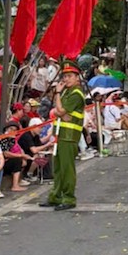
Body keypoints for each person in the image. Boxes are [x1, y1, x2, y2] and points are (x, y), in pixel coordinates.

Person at [39, 60, 84, 211]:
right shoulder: (67, 92)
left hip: (69, 136)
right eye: (65, 76)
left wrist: (58, 96)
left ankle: (69, 198)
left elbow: (60, 111)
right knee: (57, 168)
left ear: (77, 78)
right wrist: (60, 111)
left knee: (67, 169)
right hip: (60, 135)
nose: (66, 79)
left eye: (70, 76)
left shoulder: (76, 94)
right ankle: (56, 197)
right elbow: (57, 111)